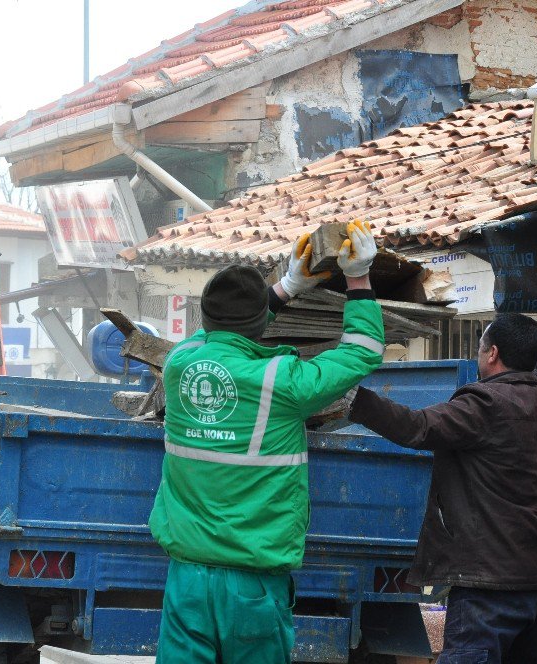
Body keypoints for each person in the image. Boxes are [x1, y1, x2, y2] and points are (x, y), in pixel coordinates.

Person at [149, 221, 384, 664]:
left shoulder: (180, 363)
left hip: (187, 581)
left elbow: (218, 335)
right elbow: (361, 350)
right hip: (252, 585)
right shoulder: (282, 383)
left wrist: (288, 285)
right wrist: (358, 278)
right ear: (259, 323)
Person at [348, 313, 537, 664]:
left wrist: (353, 400)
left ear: (492, 354)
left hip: (489, 587)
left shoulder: (486, 404)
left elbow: (418, 427)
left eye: (479, 348)